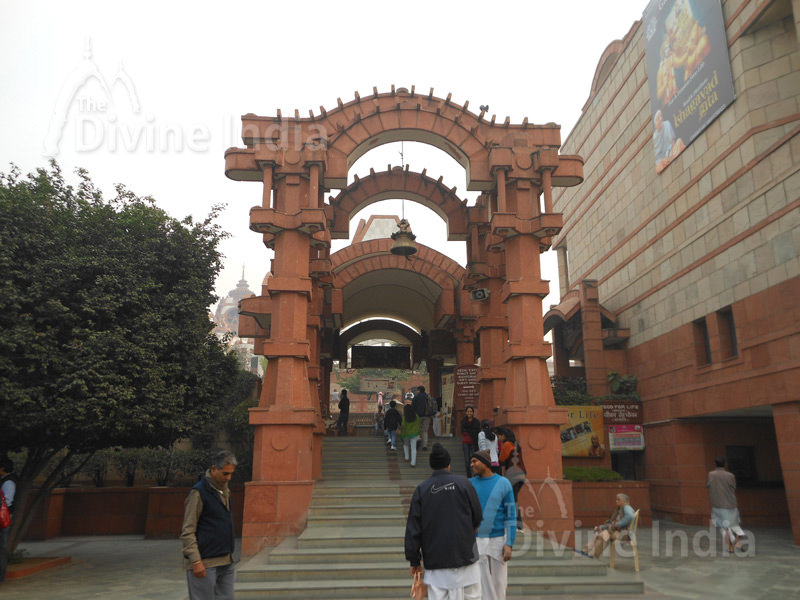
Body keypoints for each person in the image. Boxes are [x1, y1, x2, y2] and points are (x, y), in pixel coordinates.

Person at [405, 443, 483, 600]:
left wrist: (414, 559)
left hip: (436, 562)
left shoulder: (422, 489)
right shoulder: (464, 484)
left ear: (432, 466)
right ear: (449, 464)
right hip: (466, 558)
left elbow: (414, 528)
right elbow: (478, 516)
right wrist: (468, 530)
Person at [180, 450, 238, 600]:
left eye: (231, 474)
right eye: (225, 474)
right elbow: (188, 530)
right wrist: (196, 561)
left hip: (226, 559)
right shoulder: (198, 493)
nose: (228, 478)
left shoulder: (225, 491)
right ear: (213, 469)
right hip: (205, 561)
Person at [470, 449, 516, 600]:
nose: (471, 465)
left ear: (485, 463)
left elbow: (511, 515)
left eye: (474, 461)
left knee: (499, 582)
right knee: (480, 583)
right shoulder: (469, 484)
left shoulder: (504, 483)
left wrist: (509, 543)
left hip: (498, 540)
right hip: (476, 540)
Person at [707, 456, 746, 552]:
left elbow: (708, 485)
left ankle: (731, 547)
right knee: (735, 524)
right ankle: (738, 543)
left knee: (724, 527)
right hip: (731, 504)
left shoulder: (711, 474)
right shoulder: (730, 475)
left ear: (715, 463)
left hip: (718, 504)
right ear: (724, 464)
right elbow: (733, 487)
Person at [582, 493, 636, 558]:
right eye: (616, 499)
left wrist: (617, 524)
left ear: (624, 501)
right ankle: (589, 552)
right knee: (602, 533)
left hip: (624, 534)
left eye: (618, 500)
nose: (616, 501)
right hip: (617, 532)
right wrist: (602, 527)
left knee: (603, 534)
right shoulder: (619, 510)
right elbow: (612, 523)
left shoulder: (626, 507)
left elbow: (630, 516)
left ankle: (590, 553)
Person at [497, 428, 527, 530]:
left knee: (511, 499)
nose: (499, 438)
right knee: (514, 498)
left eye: (499, 436)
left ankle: (516, 523)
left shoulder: (507, 445)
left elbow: (501, 459)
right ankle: (517, 523)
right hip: (522, 473)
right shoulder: (516, 444)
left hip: (513, 474)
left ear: (504, 436)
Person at [0, 457, 17, 583]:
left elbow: (7, 501)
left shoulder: (8, 482)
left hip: (3, 519)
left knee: (2, 547)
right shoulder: (5, 480)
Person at [401, 396, 421, 467]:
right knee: (413, 448)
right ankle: (413, 463)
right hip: (414, 434)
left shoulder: (404, 417)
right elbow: (419, 425)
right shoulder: (416, 416)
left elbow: (403, 426)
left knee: (406, 445)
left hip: (406, 434)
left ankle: (407, 457)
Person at [461, 407, 481, 477]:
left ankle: (475, 475)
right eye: (468, 411)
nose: (469, 413)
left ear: (473, 412)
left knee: (474, 460)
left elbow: (478, 431)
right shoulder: (463, 421)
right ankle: (469, 476)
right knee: (467, 461)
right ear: (466, 413)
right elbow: (462, 431)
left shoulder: (476, 421)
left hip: (473, 442)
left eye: (471, 411)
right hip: (466, 443)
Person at [413, 386, 434, 451]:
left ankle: (418, 439)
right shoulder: (428, 396)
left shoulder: (416, 397)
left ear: (419, 390)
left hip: (418, 416)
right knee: (425, 431)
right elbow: (432, 405)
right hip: (427, 416)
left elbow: (412, 406)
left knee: (418, 429)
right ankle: (424, 445)